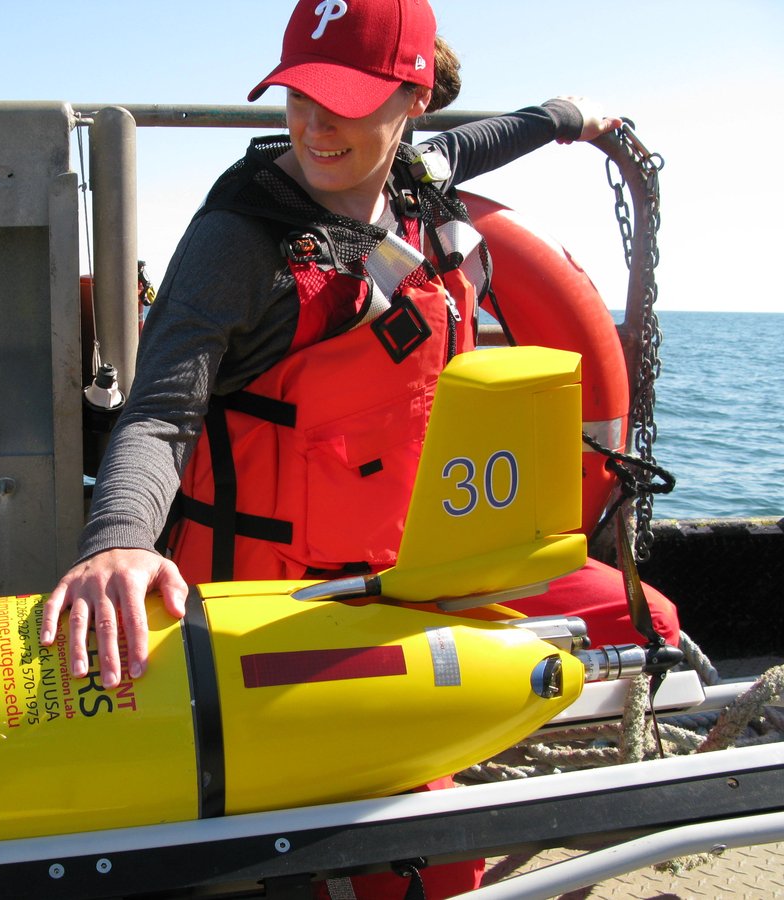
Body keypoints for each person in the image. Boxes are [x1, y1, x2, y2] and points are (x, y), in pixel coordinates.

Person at [43, 1, 679, 893]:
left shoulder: (420, 172)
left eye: (346, 99)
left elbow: (491, 139)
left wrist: (571, 117)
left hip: (405, 568)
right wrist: (115, 543)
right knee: (434, 862)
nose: (313, 124)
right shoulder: (237, 240)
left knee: (644, 619)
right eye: (300, 94)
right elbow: (158, 412)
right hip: (274, 602)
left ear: (411, 98)